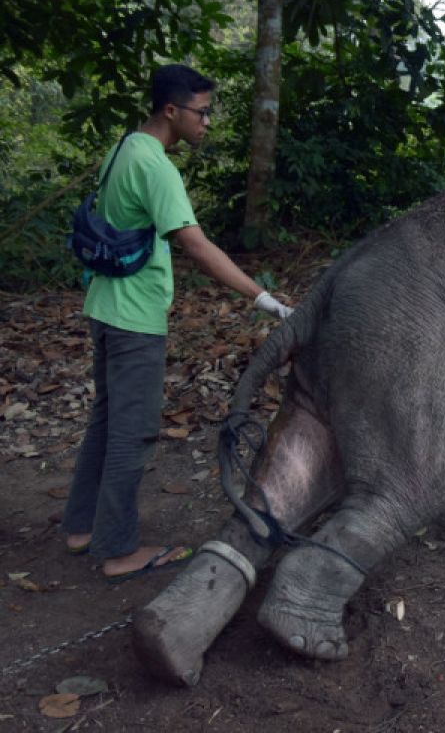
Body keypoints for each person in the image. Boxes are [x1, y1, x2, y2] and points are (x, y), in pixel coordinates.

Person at [63, 64, 293, 583]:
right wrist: (263, 298)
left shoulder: (124, 148)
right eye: (202, 112)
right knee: (133, 432)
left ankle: (80, 527)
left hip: (103, 306)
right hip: (134, 318)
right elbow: (194, 244)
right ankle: (119, 550)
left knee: (104, 421)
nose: (207, 122)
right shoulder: (157, 167)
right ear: (172, 110)